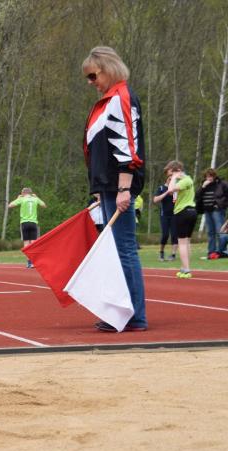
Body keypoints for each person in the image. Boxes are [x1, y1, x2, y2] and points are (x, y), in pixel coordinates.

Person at [82, 46, 147, 332]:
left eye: (93, 76)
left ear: (108, 70)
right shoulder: (109, 100)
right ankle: (122, 311)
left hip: (118, 185)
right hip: (107, 186)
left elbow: (127, 145)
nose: (91, 82)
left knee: (124, 249)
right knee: (116, 250)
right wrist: (99, 188)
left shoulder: (121, 98)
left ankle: (134, 316)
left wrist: (124, 188)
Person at [162, 161, 196, 278]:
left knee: (181, 242)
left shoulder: (184, 180)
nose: (170, 177)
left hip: (182, 212)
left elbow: (170, 190)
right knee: (187, 241)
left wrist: (174, 178)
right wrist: (174, 178)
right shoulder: (187, 180)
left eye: (171, 174)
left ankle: (186, 270)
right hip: (191, 211)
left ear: (178, 171)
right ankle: (185, 266)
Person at [8, 187, 46, 268]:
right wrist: (37, 197)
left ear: (23, 193)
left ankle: (29, 262)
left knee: (26, 243)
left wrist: (17, 198)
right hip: (33, 223)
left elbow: (10, 205)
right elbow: (44, 205)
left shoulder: (22, 199)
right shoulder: (35, 199)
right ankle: (33, 262)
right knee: (33, 243)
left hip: (24, 223)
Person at [195, 168, 228, 257]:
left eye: (210, 176)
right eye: (207, 176)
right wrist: (203, 187)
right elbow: (197, 196)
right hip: (207, 210)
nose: (209, 178)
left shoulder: (221, 184)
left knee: (220, 231)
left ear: (214, 176)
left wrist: (221, 205)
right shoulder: (204, 185)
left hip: (217, 210)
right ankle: (211, 252)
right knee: (210, 232)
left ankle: (222, 251)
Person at [153, 173, 178, 261]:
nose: (171, 181)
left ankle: (173, 254)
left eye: (173, 180)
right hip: (164, 215)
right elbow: (155, 200)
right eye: (169, 179)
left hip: (175, 214)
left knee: (174, 235)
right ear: (166, 179)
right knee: (165, 235)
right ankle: (161, 252)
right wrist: (167, 192)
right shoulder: (161, 188)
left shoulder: (176, 189)